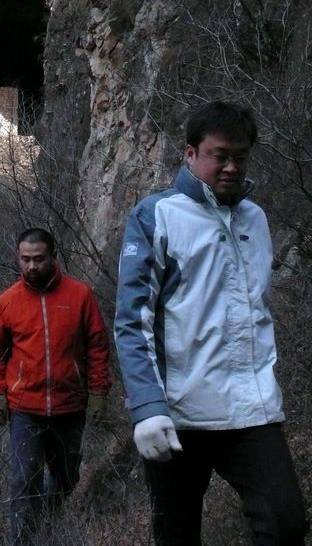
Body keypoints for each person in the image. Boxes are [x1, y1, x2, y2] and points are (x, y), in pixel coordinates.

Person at [115, 101, 308, 545]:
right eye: (219, 155)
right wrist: (146, 406)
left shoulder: (254, 218)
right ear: (190, 153)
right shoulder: (156, 215)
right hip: (177, 414)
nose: (231, 167)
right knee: (177, 534)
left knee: (285, 525)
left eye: (240, 156)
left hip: (252, 407)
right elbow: (133, 319)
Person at [0, 227, 111, 546]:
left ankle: (45, 523)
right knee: (24, 480)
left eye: (39, 259)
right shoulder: (8, 302)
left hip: (70, 407)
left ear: (53, 257)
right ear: (18, 258)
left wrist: (97, 393)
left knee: (67, 478)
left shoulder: (79, 295)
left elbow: (97, 346)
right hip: (25, 408)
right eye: (25, 259)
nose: (32, 267)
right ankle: (23, 540)